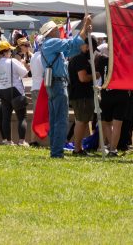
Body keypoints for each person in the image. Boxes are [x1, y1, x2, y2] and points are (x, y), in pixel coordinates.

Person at [39, 16, 92, 159]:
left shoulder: (49, 44)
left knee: (55, 119)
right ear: (51, 32)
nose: (59, 30)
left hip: (53, 84)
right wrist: (84, 28)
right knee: (60, 120)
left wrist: (84, 31)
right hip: (58, 84)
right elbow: (72, 44)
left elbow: (73, 48)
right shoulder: (53, 42)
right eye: (56, 29)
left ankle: (55, 150)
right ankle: (57, 152)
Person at [96, 42, 129, 156]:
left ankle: (113, 149)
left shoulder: (102, 60)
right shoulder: (123, 61)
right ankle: (113, 149)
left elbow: (98, 75)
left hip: (108, 94)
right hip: (119, 95)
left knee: (108, 123)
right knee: (115, 124)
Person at [0, 40, 30, 146]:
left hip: (2, 90)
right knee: (21, 117)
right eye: (10, 51)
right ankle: (21, 141)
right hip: (15, 90)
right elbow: (25, 74)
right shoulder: (12, 61)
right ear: (6, 52)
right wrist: (23, 64)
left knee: (6, 118)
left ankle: (8, 141)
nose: (11, 52)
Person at [67, 38, 94, 156]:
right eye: (88, 46)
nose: (89, 49)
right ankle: (77, 149)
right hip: (81, 95)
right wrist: (94, 75)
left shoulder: (76, 58)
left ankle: (78, 147)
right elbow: (83, 78)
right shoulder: (80, 59)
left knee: (82, 121)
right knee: (81, 121)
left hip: (80, 95)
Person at [28, 36, 44, 146]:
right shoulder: (43, 56)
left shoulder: (34, 56)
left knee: (36, 116)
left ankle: (33, 140)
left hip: (35, 87)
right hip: (42, 88)